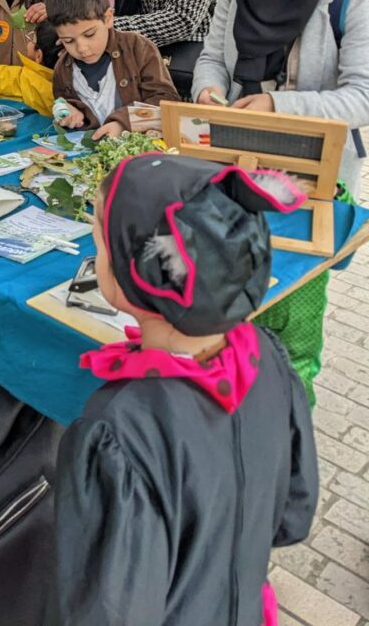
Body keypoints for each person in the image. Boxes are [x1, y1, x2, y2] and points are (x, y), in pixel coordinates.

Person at [51, 153, 317, 626]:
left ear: (139, 273)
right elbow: (293, 514)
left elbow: (106, 612)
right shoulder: (267, 356)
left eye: (99, 240)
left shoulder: (118, 430)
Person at [193, 0, 369, 404]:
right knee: (226, 313)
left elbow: (362, 97)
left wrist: (278, 106)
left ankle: (287, 433)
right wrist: (208, 92)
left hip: (308, 190)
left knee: (291, 326)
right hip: (231, 175)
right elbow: (209, 58)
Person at [46, 0, 179, 139]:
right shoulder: (63, 70)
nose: (82, 48)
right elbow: (65, 103)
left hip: (140, 154)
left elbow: (166, 102)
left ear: (108, 18)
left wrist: (124, 123)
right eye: (68, 41)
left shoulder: (139, 49)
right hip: (92, 157)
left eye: (89, 35)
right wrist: (70, 111)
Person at [0, 14, 60, 115]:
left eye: (32, 39)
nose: (29, 40)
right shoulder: (69, 82)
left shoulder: (22, 80)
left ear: (38, 56)